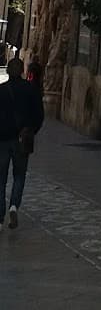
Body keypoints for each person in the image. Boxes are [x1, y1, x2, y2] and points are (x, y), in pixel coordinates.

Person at [0, 56, 44, 229]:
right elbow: (39, 115)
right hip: (22, 139)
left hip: (2, 140)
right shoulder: (31, 90)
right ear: (22, 72)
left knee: (1, 179)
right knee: (19, 175)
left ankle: (0, 215)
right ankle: (13, 206)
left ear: (8, 72)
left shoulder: (1, 90)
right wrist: (31, 131)